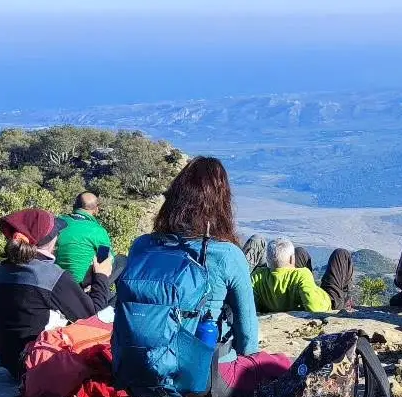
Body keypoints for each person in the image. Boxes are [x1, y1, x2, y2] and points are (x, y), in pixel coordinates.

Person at [114, 157, 294, 395]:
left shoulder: (142, 246)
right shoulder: (227, 254)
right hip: (205, 378)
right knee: (281, 365)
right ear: (221, 204)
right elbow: (248, 338)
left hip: (138, 371)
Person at [0, 208, 112, 381]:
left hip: (10, 361)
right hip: (37, 365)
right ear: (50, 240)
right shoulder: (50, 275)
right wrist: (101, 277)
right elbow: (92, 316)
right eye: (57, 233)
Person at [251, 238, 355, 312]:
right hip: (328, 302)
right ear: (292, 259)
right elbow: (316, 308)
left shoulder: (257, 276)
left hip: (276, 304)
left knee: (299, 252)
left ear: (268, 259)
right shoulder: (302, 274)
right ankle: (345, 302)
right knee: (341, 254)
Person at [56, 192, 114, 286]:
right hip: (81, 286)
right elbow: (103, 261)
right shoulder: (99, 231)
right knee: (121, 261)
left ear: (74, 206)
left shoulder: (57, 222)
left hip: (55, 281)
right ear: (96, 210)